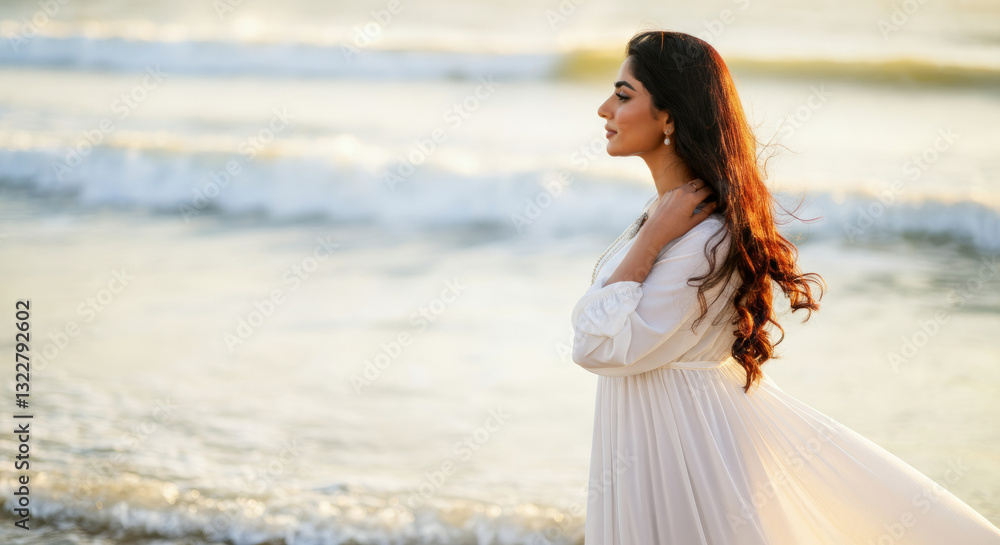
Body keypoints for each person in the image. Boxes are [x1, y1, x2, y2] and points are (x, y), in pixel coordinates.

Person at [570, 30, 1000, 544]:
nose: (603, 110)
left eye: (622, 95)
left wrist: (653, 239)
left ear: (669, 115)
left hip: (686, 457)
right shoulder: (668, 218)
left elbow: (594, 346)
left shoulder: (703, 234)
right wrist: (655, 231)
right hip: (657, 444)